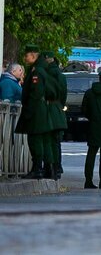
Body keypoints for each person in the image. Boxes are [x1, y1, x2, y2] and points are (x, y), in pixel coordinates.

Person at [14, 45, 54, 179]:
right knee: (43, 140)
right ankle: (48, 168)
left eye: (27, 55)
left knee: (35, 140)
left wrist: (29, 111)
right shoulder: (40, 70)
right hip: (41, 110)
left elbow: (36, 94)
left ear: (33, 55)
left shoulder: (36, 72)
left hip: (36, 111)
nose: (25, 58)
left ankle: (37, 169)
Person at [44, 51, 67, 179]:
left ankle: (48, 167)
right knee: (56, 141)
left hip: (46, 110)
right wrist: (59, 105)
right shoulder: (61, 76)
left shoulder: (44, 74)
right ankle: (57, 167)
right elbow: (64, 94)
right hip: (57, 110)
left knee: (45, 140)